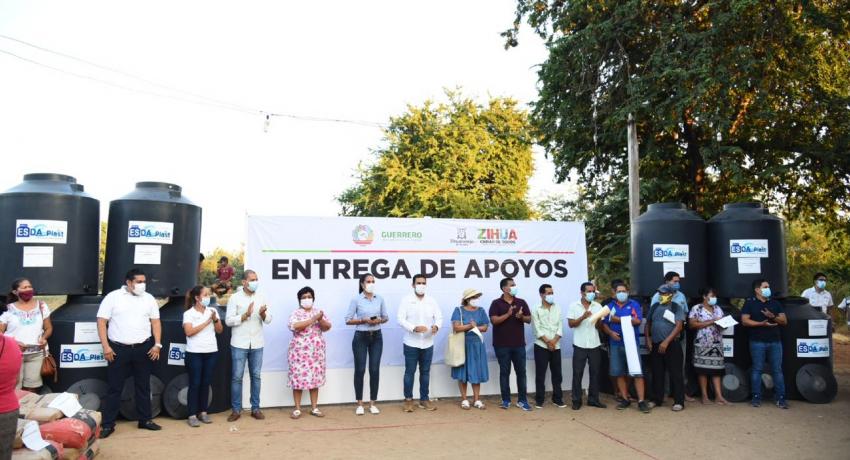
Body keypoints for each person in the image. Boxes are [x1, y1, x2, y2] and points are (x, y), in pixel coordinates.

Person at [97, 268, 163, 438]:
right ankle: (108, 424)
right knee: (114, 387)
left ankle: (145, 420)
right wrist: (106, 347)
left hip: (143, 348)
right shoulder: (113, 297)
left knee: (143, 385)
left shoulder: (149, 299)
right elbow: (101, 322)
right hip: (118, 349)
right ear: (128, 282)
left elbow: (155, 322)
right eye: (139, 282)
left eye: (144, 281)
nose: (142, 285)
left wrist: (157, 344)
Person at [225, 270, 273, 421]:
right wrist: (244, 316)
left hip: (257, 343)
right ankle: (236, 410)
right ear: (244, 282)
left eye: (256, 279)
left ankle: (256, 408)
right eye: (252, 279)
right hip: (239, 343)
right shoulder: (235, 298)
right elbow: (228, 321)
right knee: (237, 377)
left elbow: (269, 319)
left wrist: (263, 313)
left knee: (256, 376)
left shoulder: (261, 297)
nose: (255, 282)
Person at [602, 281, 650, 413]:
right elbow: (604, 323)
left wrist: (617, 319)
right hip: (616, 344)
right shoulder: (609, 307)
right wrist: (611, 333)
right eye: (619, 291)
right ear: (614, 293)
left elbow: (637, 321)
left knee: (637, 373)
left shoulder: (634, 304)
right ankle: (625, 399)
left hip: (632, 344)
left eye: (624, 291)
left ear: (628, 292)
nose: (622, 294)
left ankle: (641, 401)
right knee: (619, 373)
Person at [396, 274, 442, 412]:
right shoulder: (406, 300)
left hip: (428, 342)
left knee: (425, 372)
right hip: (411, 342)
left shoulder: (431, 300)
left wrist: (436, 326)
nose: (421, 285)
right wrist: (413, 328)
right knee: (410, 372)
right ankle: (408, 400)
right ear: (413, 285)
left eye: (423, 283)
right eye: (419, 283)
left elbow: (439, 317)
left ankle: (424, 399)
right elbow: (400, 319)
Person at [344, 273, 388, 415]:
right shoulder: (356, 299)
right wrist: (363, 320)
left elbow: (386, 317)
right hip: (361, 337)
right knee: (360, 370)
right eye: (368, 281)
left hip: (376, 336)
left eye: (373, 281)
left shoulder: (379, 298)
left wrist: (378, 320)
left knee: (374, 370)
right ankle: (360, 403)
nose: (371, 283)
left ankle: (372, 403)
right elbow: (348, 320)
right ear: (362, 284)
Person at [741, 278, 788, 409]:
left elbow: (784, 321)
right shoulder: (750, 303)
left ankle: (781, 398)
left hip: (775, 342)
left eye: (768, 287)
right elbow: (745, 321)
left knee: (777, 370)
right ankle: (756, 397)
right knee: (757, 369)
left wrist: (772, 316)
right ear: (757, 290)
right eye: (765, 287)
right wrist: (761, 324)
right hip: (757, 342)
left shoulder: (775, 303)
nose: (768, 289)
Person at [0, 278, 52, 392]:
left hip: (36, 354)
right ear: (15, 292)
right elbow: (0, 333)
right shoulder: (8, 309)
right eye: (24, 288)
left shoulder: (42, 306)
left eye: (30, 287)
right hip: (13, 354)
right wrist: (14, 343)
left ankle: (28, 409)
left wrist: (44, 338)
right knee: (14, 388)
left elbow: (48, 328)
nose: (28, 289)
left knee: (32, 387)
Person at [287, 286, 331, 419]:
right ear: (299, 300)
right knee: (298, 379)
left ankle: (314, 408)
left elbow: (327, 327)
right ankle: (297, 409)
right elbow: (295, 326)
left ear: (313, 298)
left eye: (309, 297)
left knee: (315, 379)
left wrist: (320, 319)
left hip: (316, 352)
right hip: (299, 352)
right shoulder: (295, 313)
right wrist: (313, 319)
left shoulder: (319, 312)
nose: (307, 299)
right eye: (304, 297)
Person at [182, 285, 223, 427]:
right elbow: (189, 332)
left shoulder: (213, 311)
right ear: (197, 297)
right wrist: (206, 322)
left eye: (208, 294)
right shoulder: (188, 313)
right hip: (194, 353)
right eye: (205, 294)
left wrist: (215, 320)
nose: (208, 297)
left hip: (211, 351)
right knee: (195, 383)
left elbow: (220, 330)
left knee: (206, 383)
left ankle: (203, 412)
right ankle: (192, 414)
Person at [489, 277, 532, 411]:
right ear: (504, 288)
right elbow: (494, 321)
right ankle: (506, 400)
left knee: (521, 373)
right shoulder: (496, 303)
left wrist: (521, 317)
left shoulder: (521, 302)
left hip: (519, 344)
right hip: (502, 345)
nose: (515, 287)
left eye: (515, 285)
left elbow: (529, 319)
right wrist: (508, 314)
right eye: (512, 285)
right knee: (504, 372)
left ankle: (522, 400)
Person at [646, 284, 686, 411]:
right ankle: (656, 399)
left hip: (672, 344)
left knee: (676, 373)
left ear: (671, 295)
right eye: (660, 294)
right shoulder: (655, 306)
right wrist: (648, 339)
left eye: (664, 294)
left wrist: (666, 342)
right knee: (657, 372)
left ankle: (679, 401)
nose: (661, 296)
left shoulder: (676, 307)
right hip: (656, 343)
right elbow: (648, 324)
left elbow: (679, 326)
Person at [567, 282, 606, 410]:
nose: (591, 294)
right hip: (580, 344)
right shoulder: (574, 306)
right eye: (589, 291)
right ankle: (576, 400)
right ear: (582, 292)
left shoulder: (598, 306)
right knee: (577, 373)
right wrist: (583, 317)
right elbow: (571, 324)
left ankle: (593, 399)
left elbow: (600, 327)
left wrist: (598, 320)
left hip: (594, 344)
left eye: (593, 291)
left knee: (595, 373)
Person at [688, 287, 729, 405]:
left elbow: (722, 324)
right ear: (704, 297)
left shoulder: (718, 308)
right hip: (702, 342)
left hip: (717, 343)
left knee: (717, 370)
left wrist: (724, 323)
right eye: (711, 296)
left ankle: (719, 396)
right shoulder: (697, 308)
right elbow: (692, 325)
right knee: (702, 370)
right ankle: (704, 396)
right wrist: (712, 321)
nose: (713, 299)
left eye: (715, 296)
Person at [451, 289, 490, 410]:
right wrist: (469, 326)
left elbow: (485, 327)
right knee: (463, 372)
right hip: (463, 344)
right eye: (474, 297)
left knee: (476, 372)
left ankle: (476, 399)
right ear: (467, 299)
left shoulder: (481, 310)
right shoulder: (458, 310)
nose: (476, 299)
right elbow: (456, 327)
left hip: (477, 344)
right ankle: (464, 400)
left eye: (478, 297)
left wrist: (475, 327)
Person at [531, 284, 565, 409]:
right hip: (541, 345)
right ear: (541, 294)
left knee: (557, 374)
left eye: (552, 293)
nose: (551, 295)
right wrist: (548, 342)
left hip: (556, 345)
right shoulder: (535, 308)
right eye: (548, 293)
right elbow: (536, 328)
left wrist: (554, 341)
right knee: (540, 374)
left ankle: (558, 399)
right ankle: (539, 399)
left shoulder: (558, 307)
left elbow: (560, 327)